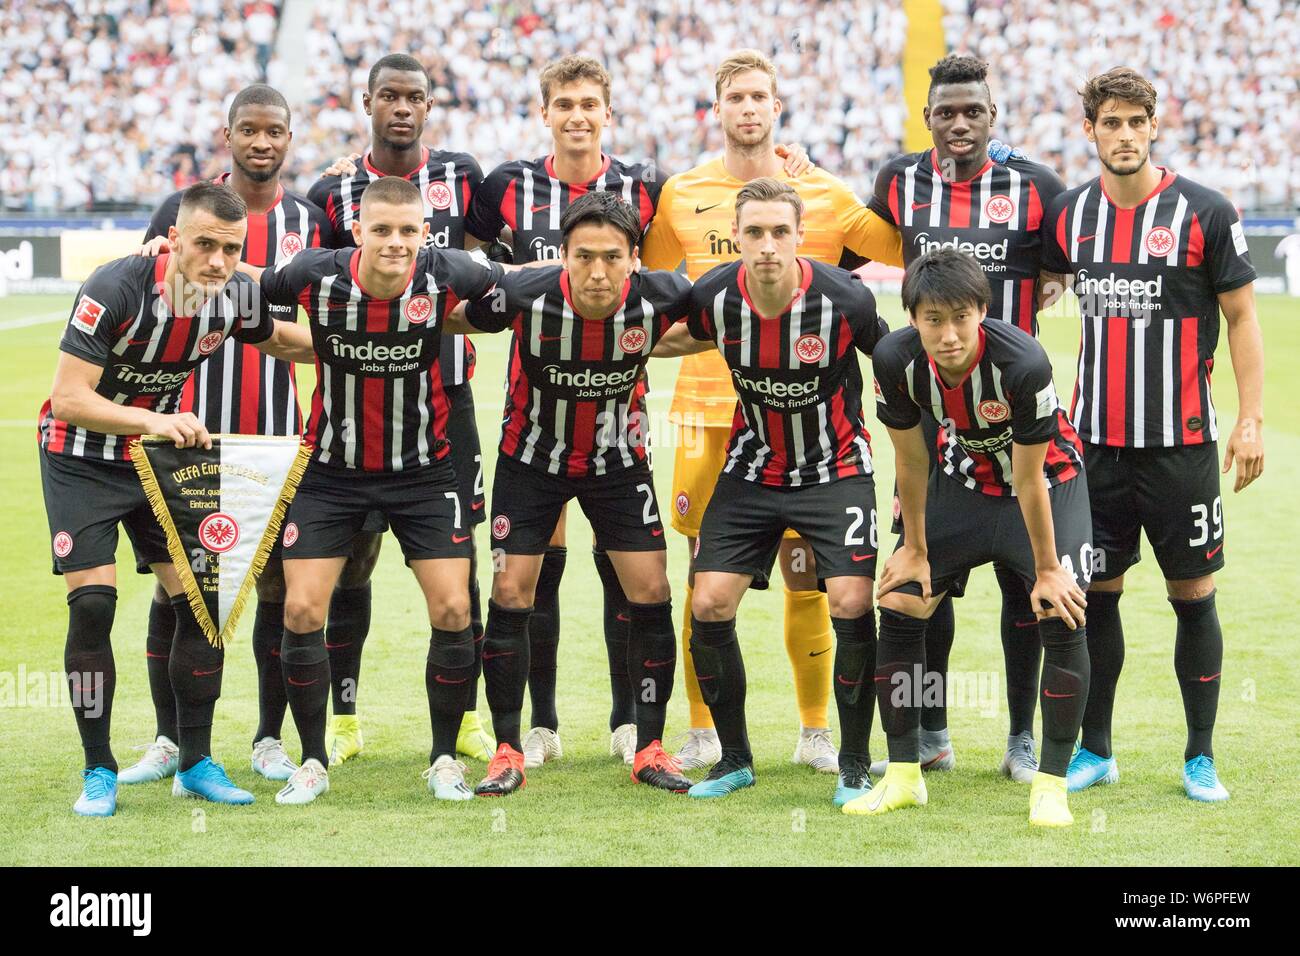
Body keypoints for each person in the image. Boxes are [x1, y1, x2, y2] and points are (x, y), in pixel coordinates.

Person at [465, 54, 811, 769]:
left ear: (608, 113)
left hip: (620, 433)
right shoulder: (506, 195)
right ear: (545, 113)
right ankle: (529, 731)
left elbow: (688, 290)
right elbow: (457, 273)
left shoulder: (649, 189)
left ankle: (636, 730)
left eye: (589, 103)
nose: (578, 116)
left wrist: (787, 166)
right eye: (565, 104)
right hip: (533, 437)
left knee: (636, 579)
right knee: (526, 580)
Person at [640, 48, 904, 773]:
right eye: (736, 97)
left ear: (777, 106)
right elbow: (651, 283)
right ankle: (704, 731)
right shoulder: (682, 192)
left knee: (806, 573)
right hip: (708, 413)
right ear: (717, 108)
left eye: (760, 96)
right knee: (703, 576)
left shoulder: (819, 191)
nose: (749, 108)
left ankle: (816, 730)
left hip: (809, 423)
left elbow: (899, 244)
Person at [39, 181, 314, 816]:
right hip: (80, 456)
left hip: (152, 457)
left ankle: (193, 761)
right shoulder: (116, 287)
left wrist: (363, 341)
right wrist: (154, 419)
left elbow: (278, 340)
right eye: (205, 245)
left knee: (200, 601)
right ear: (174, 240)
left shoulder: (233, 293)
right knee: (93, 605)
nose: (217, 262)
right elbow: (70, 398)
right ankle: (98, 769)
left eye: (231, 249)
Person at [1041, 68, 1263, 802]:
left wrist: (1251, 418)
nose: (1126, 134)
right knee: (1096, 597)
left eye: (1138, 121)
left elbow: (1241, 317)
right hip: (1095, 447)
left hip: (1181, 446)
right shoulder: (1070, 214)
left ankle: (1199, 757)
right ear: (1090, 130)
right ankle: (1096, 750)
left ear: (1155, 126)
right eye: (1112, 122)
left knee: (1192, 593)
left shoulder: (1205, 211)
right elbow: (1030, 290)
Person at [259, 176, 503, 804]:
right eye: (382, 230)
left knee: (454, 610)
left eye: (408, 231)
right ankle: (313, 760)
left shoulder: (448, 272)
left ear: (424, 234)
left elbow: (521, 283)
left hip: (423, 473)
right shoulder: (314, 273)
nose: (396, 242)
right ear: (358, 231)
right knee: (300, 610)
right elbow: (247, 286)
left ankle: (443, 758)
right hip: (331, 473)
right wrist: (166, 256)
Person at [447, 190, 694, 795]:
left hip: (619, 462)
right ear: (563, 256)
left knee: (652, 590)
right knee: (511, 592)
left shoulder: (663, 296)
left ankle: (649, 745)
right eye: (583, 256)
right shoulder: (524, 293)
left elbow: (727, 317)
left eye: (612, 257)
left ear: (634, 259)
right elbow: (448, 315)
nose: (598, 271)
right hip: (530, 463)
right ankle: (508, 749)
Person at [866, 54, 1068, 782]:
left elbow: (1064, 266)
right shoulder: (897, 180)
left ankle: (1020, 739)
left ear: (992, 115)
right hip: (931, 418)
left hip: (1012, 415)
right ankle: (932, 730)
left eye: (972, 111)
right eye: (946, 112)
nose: (959, 123)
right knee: (927, 580)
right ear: (927, 117)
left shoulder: (1037, 186)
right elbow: (851, 240)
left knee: (1024, 585)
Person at [122, 84, 330, 788]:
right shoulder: (184, 209)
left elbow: (318, 316)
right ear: (228, 134)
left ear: (289, 139)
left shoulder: (309, 221)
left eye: (274, 131)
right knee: (176, 589)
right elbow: (153, 303)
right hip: (188, 433)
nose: (261, 143)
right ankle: (168, 739)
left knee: (273, 585)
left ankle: (268, 738)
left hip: (275, 437)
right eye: (249, 130)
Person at [308, 53, 492, 767]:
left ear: (429, 105)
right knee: (352, 560)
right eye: (389, 96)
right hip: (357, 402)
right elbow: (321, 286)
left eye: (415, 96)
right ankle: (345, 717)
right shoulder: (332, 190)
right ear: (368, 103)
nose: (403, 108)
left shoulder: (464, 176)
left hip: (446, 398)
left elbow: (490, 262)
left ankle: (466, 716)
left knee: (458, 563)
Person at [867, 247, 1092, 827]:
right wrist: (914, 549)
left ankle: (1051, 786)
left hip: (1046, 485)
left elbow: (1029, 477)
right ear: (913, 318)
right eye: (933, 320)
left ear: (982, 312)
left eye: (960, 318)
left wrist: (1048, 569)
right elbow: (911, 460)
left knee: (1060, 608)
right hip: (963, 482)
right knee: (901, 599)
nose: (948, 335)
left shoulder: (1023, 361)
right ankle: (903, 777)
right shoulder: (894, 359)